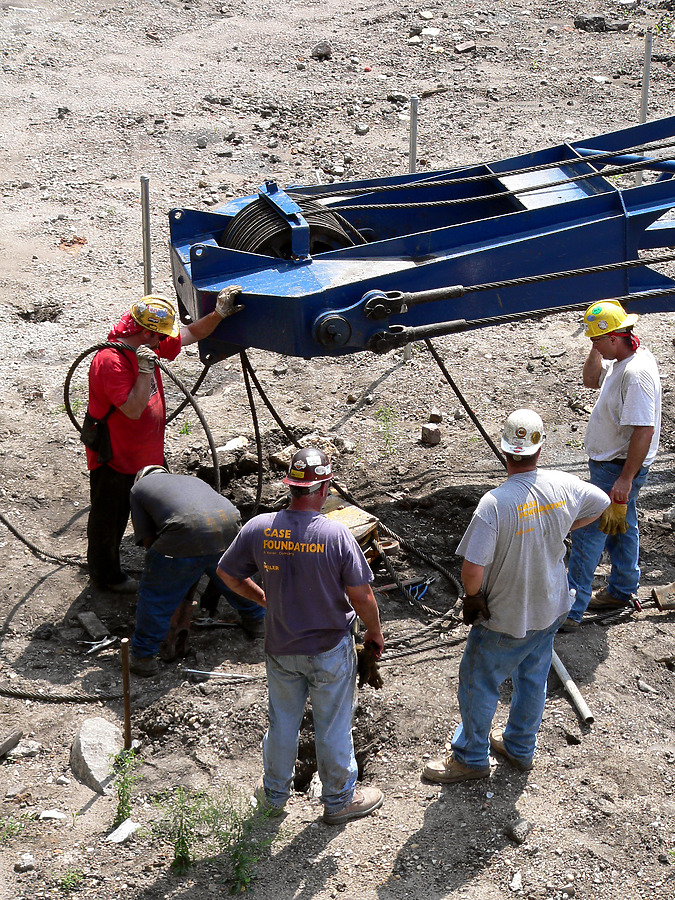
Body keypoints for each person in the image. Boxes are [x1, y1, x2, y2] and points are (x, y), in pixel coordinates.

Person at [422, 410, 609, 784]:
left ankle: (471, 757)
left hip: (507, 617)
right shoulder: (563, 486)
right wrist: (562, 525)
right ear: (540, 449)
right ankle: (520, 747)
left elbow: (473, 569)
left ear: (504, 450)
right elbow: (603, 502)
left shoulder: (495, 504)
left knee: (479, 680)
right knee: (532, 677)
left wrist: (472, 599)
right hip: (552, 606)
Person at [216, 447, 385, 824]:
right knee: (333, 725)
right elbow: (362, 595)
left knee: (282, 724)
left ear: (290, 486)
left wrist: (264, 600)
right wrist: (374, 633)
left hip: (281, 647)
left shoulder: (259, 528)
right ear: (324, 488)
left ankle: (275, 796)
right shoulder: (336, 535)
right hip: (328, 650)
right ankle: (339, 800)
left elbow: (227, 573)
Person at [85, 287, 242, 592]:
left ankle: (161, 564)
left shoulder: (150, 343)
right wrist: (144, 370)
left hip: (147, 453)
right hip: (116, 458)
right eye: (158, 337)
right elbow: (132, 410)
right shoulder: (110, 361)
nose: (162, 343)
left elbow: (188, 335)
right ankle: (105, 577)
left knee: (155, 513)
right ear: (144, 332)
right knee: (110, 518)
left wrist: (218, 314)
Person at [565, 300, 661, 628]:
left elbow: (644, 430)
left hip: (616, 468)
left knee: (589, 532)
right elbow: (591, 379)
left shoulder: (635, 374)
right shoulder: (623, 358)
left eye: (597, 340)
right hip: (614, 466)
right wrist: (595, 346)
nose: (594, 345)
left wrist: (626, 478)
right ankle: (621, 589)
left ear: (614, 337)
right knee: (622, 526)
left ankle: (570, 612)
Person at [128, 465, 265, 677]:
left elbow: (149, 542)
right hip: (228, 523)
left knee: (157, 595)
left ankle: (144, 657)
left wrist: (173, 573)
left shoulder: (139, 489)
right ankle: (258, 621)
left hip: (187, 529)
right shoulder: (190, 480)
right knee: (232, 577)